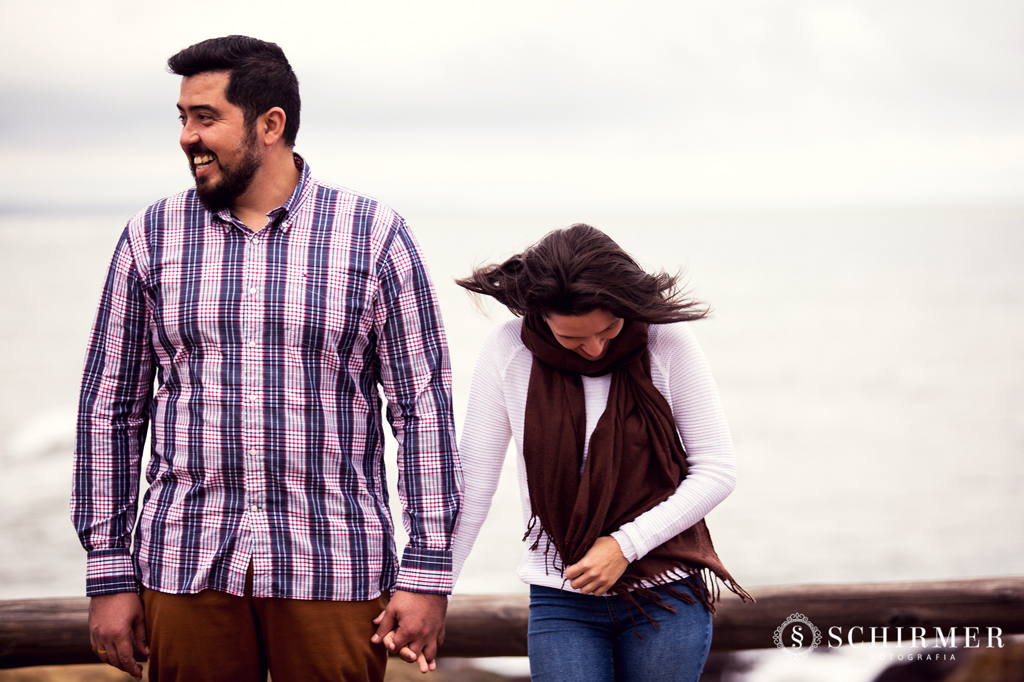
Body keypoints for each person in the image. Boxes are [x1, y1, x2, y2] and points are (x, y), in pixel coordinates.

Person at [71, 35, 461, 682]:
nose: (186, 136)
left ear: (270, 125)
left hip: (334, 567)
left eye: (206, 117)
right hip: (184, 565)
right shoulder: (150, 236)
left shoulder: (374, 237)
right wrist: (108, 571)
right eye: (182, 117)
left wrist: (427, 572)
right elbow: (109, 410)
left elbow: (424, 413)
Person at [451, 224, 750, 681]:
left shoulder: (667, 343)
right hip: (562, 595)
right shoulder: (509, 350)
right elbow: (472, 483)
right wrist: (432, 588)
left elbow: (716, 471)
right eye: (573, 338)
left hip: (665, 592)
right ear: (540, 315)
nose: (594, 349)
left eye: (609, 329)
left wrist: (623, 546)